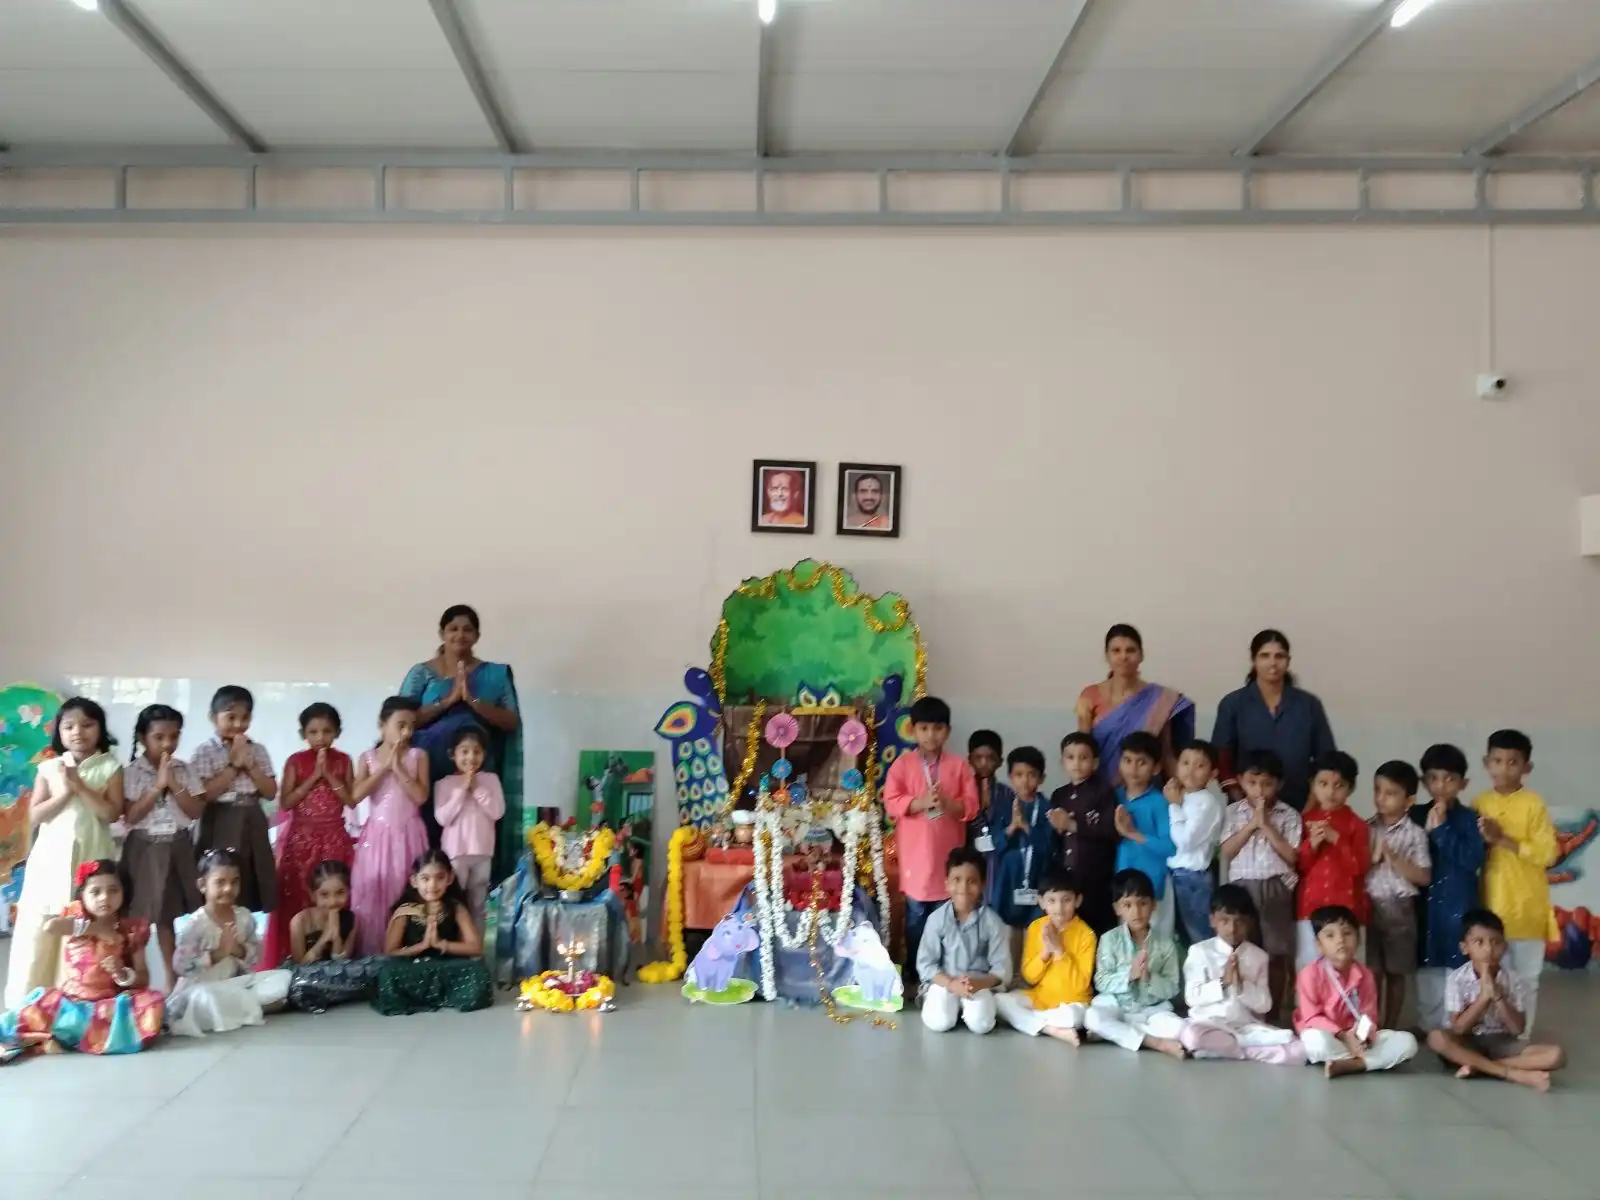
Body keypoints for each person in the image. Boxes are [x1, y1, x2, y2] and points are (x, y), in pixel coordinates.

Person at [3, 697, 124, 1009]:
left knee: (85, 914)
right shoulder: (48, 766)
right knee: (46, 914)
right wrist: (66, 791)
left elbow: (111, 812)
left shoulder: (110, 766)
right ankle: (33, 997)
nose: (78, 732)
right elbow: (37, 814)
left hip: (92, 854)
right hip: (51, 857)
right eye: (69, 726)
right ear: (59, 731)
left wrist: (80, 786)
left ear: (100, 728)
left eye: (87, 725)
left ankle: (80, 995)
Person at [399, 604, 523, 879]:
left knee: (472, 834)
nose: (460, 634)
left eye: (468, 629)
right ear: (442, 633)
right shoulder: (421, 673)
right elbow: (401, 720)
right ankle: (431, 900)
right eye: (453, 628)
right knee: (432, 829)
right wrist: (449, 700)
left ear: (477, 635)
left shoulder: (495, 674)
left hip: (476, 764)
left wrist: (472, 702)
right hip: (428, 767)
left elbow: (511, 721)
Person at [0, 860, 163, 1058]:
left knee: (152, 1003)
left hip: (105, 1006)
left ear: (124, 892)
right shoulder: (76, 920)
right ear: (82, 896)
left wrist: (122, 973)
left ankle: (70, 1035)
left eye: (113, 890)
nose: (104, 898)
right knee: (30, 1010)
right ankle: (64, 1034)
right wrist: (95, 928)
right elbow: (50, 927)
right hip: (70, 1002)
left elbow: (143, 978)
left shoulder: (131, 929)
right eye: (95, 892)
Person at [882, 696, 978, 991]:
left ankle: (942, 978)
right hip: (916, 860)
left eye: (937, 728)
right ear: (913, 730)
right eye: (924, 728)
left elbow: (972, 806)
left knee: (947, 921)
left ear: (947, 731)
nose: (931, 735)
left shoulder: (959, 767)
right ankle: (913, 972)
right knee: (915, 921)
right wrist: (919, 802)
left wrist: (951, 805)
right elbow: (890, 802)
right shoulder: (903, 765)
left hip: (948, 860)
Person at [1472, 729, 1557, 1035]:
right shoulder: (1479, 802)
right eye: (1497, 761)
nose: (1504, 768)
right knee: (1488, 973)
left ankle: (1521, 1035)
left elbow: (1548, 853)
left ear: (1527, 768)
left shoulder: (1534, 804)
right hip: (1490, 906)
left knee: (1526, 977)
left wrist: (1502, 840)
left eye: (1513, 762)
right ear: (1486, 763)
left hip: (1527, 908)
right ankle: (1491, 1033)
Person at [1426, 909, 1565, 1091]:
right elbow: (1459, 1028)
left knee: (1556, 1055)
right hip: (1469, 1042)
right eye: (1479, 942)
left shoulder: (1513, 980)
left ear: (1505, 946)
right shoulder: (1457, 979)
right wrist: (1484, 998)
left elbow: (1517, 1029)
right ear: (1465, 948)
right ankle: (1513, 1072)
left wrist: (1499, 996)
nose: (1489, 950)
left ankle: (1479, 1067)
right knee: (1436, 1038)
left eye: (1496, 942)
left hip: (1502, 1042)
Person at [264, 702, 355, 971]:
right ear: (303, 733)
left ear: (336, 733)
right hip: (302, 838)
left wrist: (328, 774)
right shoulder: (295, 761)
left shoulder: (344, 760)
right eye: (313, 732)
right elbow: (287, 802)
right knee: (297, 896)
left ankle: (335, 950)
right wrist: (314, 776)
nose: (320, 738)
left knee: (334, 894)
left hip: (335, 837)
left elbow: (350, 800)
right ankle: (296, 955)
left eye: (327, 731)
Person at [120, 704, 203, 990]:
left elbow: (195, 811)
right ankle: (134, 978)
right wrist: (157, 786)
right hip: (144, 847)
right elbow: (130, 816)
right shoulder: (131, 772)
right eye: (159, 737)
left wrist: (174, 783)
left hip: (178, 844)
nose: (168, 743)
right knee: (139, 915)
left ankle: (172, 979)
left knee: (168, 916)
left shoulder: (185, 768)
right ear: (143, 738)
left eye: (174, 736)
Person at [168, 849, 292, 1037]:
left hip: (235, 984)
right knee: (208, 997)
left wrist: (238, 950)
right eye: (220, 882)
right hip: (203, 989)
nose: (228, 888)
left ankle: (241, 1006)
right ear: (203, 885)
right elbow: (181, 965)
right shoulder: (195, 924)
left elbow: (256, 956)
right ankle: (244, 1007)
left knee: (283, 977)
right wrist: (219, 953)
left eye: (235, 882)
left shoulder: (244, 917)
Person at [1218, 748, 1302, 1023]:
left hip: (1275, 887)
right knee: (1244, 950)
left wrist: (1266, 825)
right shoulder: (1232, 812)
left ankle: (1274, 1014)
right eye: (1252, 783)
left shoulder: (1289, 815)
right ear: (1241, 781)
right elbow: (1227, 851)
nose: (1260, 790)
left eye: (1267, 783)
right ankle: (1245, 1012)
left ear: (1279, 784)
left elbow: (1292, 856)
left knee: (1276, 953)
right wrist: (1251, 825)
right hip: (1242, 889)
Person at [1211, 629, 1336, 812]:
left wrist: (1311, 805)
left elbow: (1326, 759)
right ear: (1253, 661)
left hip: (1300, 806)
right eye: (1264, 656)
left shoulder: (1309, 705)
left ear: (1288, 661)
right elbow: (1221, 760)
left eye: (1279, 656)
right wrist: (1244, 803)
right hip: (1245, 811)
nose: (1273, 663)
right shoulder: (1233, 704)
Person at [1178, 885, 1304, 1064]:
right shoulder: (1200, 952)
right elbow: (1191, 998)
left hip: (1246, 1027)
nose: (1232, 929)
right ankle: (1248, 1050)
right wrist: (1223, 982)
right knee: (1192, 1037)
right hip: (1210, 1024)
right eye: (1225, 921)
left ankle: (1228, 1049)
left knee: (1298, 1051)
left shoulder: (1259, 957)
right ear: (1212, 920)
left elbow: (1265, 1005)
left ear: (1250, 923)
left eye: (1240, 922)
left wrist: (1240, 987)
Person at [1410, 743, 1486, 1032]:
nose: (1441, 785)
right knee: (1428, 963)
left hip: (1459, 902)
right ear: (1424, 782)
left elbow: (1473, 859)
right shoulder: (1415, 815)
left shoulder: (1470, 819)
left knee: (1458, 964)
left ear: (1463, 783)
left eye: (1449, 778)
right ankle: (1429, 1025)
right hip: (1426, 903)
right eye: (1433, 778)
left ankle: (1455, 1024)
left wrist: (1441, 830)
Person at [1294, 905, 1418, 1077]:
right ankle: (1367, 1062)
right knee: (1314, 1041)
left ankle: (1352, 1064)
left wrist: (1362, 1036)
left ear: (1358, 940)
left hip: (1358, 1040)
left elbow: (1369, 1016)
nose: (1340, 940)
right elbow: (1311, 1017)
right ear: (1319, 946)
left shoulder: (1365, 975)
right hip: (1331, 1037)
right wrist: (1344, 1036)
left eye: (1347, 933)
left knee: (1408, 1042)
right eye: (1330, 935)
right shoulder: (1309, 974)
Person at [350, 697, 431, 957]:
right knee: (374, 892)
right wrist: (385, 767)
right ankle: (375, 956)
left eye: (412, 726)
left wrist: (398, 768)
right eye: (401, 725)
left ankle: (408, 951)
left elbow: (420, 796)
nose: (407, 732)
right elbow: (355, 795)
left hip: (410, 834)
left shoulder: (418, 756)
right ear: (382, 725)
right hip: (377, 836)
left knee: (406, 890)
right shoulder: (367, 757)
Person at [191, 685, 278, 914]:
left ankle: (245, 929)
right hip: (219, 818)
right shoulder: (204, 751)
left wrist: (250, 766)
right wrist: (233, 766)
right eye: (231, 717)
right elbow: (204, 795)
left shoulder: (257, 750)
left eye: (245, 717)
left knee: (251, 874)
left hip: (252, 817)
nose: (239, 724)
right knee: (220, 874)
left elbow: (270, 791)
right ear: (213, 718)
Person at [376, 849, 493, 1016]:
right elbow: (390, 951)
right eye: (425, 879)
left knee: (478, 971)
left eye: (440, 878)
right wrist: (421, 946)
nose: (432, 885)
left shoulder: (455, 907)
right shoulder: (405, 910)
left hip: (447, 964)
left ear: (450, 879)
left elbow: (475, 948)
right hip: (413, 966)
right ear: (414, 881)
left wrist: (441, 944)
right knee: (387, 974)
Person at [1084, 869, 1186, 1058]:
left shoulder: (1166, 944)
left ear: (1154, 904)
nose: (1136, 911)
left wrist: (1149, 977)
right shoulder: (1109, 939)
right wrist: (1129, 976)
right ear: (1117, 908)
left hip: (1151, 1008)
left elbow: (1172, 988)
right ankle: (1153, 1042)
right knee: (1092, 1018)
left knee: (1179, 1029)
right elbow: (1101, 981)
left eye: (1143, 903)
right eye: (1127, 905)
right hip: (1116, 1005)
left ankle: (1118, 1033)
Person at [1075, 624, 1194, 786]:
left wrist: (1187, 792)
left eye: (1130, 650)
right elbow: (1082, 752)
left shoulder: (1161, 699)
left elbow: (1166, 753)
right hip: (1101, 794)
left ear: (1141, 655)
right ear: (1106, 656)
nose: (1123, 656)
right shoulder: (1089, 696)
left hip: (1146, 792)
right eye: (1116, 650)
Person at [996, 868, 1097, 1044]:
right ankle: (1051, 1029)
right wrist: (1045, 952)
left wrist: (1059, 951)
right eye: (1052, 900)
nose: (1059, 907)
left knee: (1074, 1017)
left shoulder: (1086, 934)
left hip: (1073, 1002)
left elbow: (1079, 985)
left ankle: (1033, 1022)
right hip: (1042, 998)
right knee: (999, 1001)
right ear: (1041, 902)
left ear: (1077, 900)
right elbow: (1029, 976)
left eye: (1066, 900)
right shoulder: (1036, 927)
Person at [916, 847, 1010, 1034]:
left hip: (978, 983)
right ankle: (947, 1006)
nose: (963, 888)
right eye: (956, 880)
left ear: (983, 884)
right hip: (945, 982)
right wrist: (951, 984)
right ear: (946, 883)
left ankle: (971, 1009)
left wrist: (978, 984)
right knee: (939, 1022)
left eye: (972, 881)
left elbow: (1002, 969)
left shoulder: (993, 922)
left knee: (981, 1025)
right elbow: (926, 964)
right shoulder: (936, 919)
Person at [1367, 760, 1431, 1031]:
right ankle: (1371, 1025)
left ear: (1409, 800)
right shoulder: (1365, 827)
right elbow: (1355, 867)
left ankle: (1390, 1026)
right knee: (1372, 972)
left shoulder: (1415, 834)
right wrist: (1372, 858)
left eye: (1390, 793)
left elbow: (1424, 876)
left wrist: (1394, 858)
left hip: (1401, 908)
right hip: (1369, 905)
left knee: (1396, 972)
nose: (1381, 798)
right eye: (1378, 790)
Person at [1296, 750, 1369, 970]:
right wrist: (1312, 845)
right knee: (1309, 969)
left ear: (1351, 788)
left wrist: (1337, 839)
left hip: (1346, 909)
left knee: (1347, 969)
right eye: (1323, 783)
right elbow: (1298, 865)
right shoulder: (1303, 821)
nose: (1330, 791)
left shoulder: (1357, 824)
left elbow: (1360, 866)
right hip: (1309, 908)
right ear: (1313, 784)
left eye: (1339, 785)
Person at [988, 746, 1057, 965]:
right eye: (1019, 775)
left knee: (1034, 924)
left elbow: (1049, 846)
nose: (1025, 781)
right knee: (1010, 927)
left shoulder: (1047, 808)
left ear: (1042, 778)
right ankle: (1009, 971)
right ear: (1010, 777)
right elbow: (992, 844)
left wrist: (1027, 827)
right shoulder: (1002, 806)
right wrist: (1011, 828)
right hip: (1009, 875)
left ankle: (1030, 972)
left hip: (1036, 875)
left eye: (1031, 775)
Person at [434, 727, 506, 930]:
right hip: (455, 853)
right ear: (453, 754)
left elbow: (497, 811)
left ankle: (476, 951)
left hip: (482, 852)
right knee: (453, 900)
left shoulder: (490, 780)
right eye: (464, 751)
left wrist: (477, 789)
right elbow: (442, 818)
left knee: (478, 903)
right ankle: (452, 946)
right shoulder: (445, 784)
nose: (471, 757)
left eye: (476, 751)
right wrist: (462, 790)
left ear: (483, 754)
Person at [285, 860, 378, 1013]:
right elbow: (300, 964)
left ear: (349, 891)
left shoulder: (352, 919)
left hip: (338, 973)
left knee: (371, 967)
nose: (333, 901)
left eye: (340, 893)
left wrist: (336, 934)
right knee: (296, 983)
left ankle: (328, 995)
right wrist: (324, 938)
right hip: (306, 976)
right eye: (324, 895)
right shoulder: (300, 921)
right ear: (313, 895)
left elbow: (342, 960)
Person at [1048, 732, 1118, 934]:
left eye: (1083, 757)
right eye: (1070, 757)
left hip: (1096, 876)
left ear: (1095, 762)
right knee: (1068, 929)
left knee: (1095, 928)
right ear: (1062, 762)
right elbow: (1056, 837)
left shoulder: (1104, 792)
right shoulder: (1059, 795)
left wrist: (1072, 825)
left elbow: (1111, 831)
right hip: (1066, 877)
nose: (1076, 763)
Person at [1112, 732, 1176, 938]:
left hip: (1152, 885)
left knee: (1156, 941)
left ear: (1156, 767)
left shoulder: (1159, 802)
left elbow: (1170, 847)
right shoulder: (1112, 797)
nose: (1133, 768)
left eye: (1142, 762)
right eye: (1127, 760)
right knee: (1125, 941)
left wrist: (1133, 833)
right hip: (1122, 886)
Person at [1165, 738, 1223, 947]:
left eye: (1200, 765)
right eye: (1185, 762)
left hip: (1193, 879)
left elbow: (1185, 841)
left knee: (1199, 939)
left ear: (1213, 774)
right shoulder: (1184, 796)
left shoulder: (1206, 802)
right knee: (1180, 939)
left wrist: (1174, 806)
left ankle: (1207, 980)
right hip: (1177, 876)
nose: (1190, 770)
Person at [964, 729, 1011, 857]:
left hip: (998, 861)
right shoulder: (961, 792)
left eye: (990, 758)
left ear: (1000, 761)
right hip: (967, 862)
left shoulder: (1008, 795)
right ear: (970, 759)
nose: (984, 763)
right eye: (978, 757)